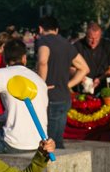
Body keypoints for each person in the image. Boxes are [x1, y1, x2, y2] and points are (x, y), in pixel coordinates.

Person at [35, 16, 89, 148]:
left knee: (49, 143)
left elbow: (42, 61)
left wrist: (41, 84)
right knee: (58, 140)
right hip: (64, 97)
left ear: (40, 28)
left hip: (50, 96)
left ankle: (51, 167)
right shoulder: (66, 44)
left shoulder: (44, 41)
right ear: (57, 29)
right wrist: (68, 85)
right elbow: (84, 68)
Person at [73, 22, 110, 90]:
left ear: (100, 36)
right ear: (86, 35)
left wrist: (100, 79)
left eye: (97, 39)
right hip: (82, 86)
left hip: (103, 86)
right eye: (90, 38)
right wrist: (80, 77)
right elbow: (71, 69)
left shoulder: (107, 46)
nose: (93, 42)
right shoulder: (77, 46)